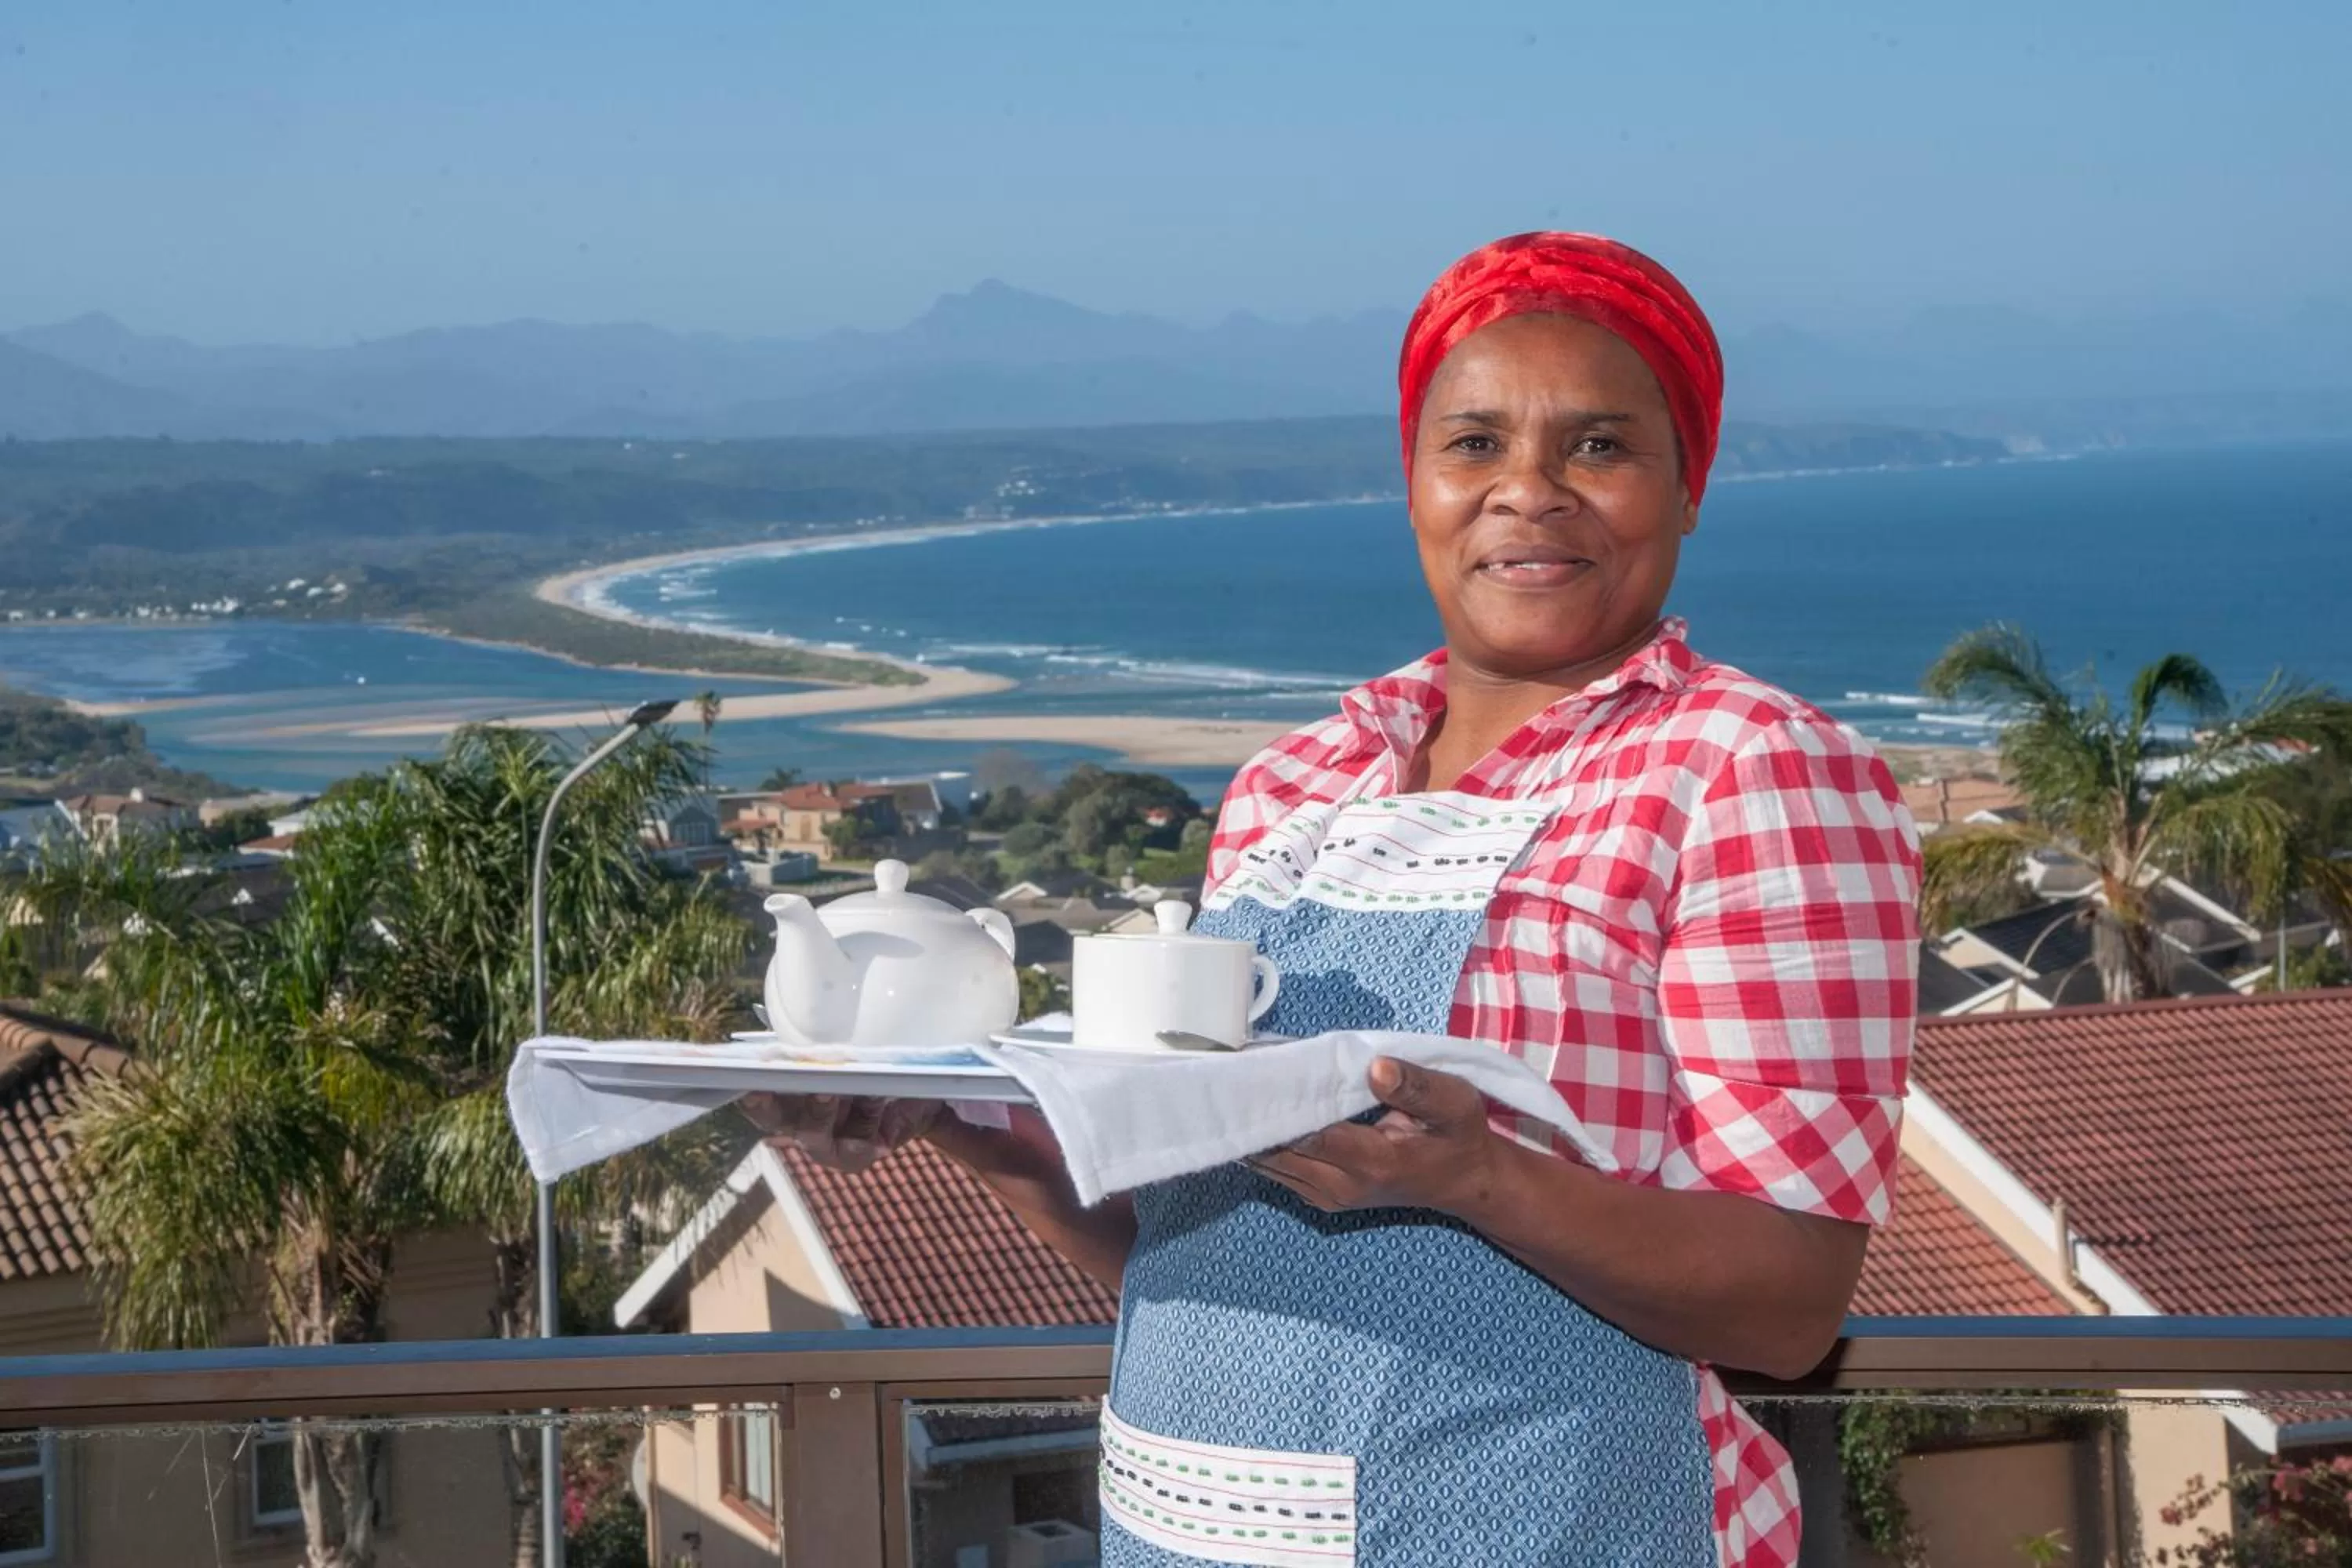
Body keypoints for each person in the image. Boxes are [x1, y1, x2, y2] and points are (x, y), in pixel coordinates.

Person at [750, 231, 1922, 1566]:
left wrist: (1482, 1180)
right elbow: (1209, 1251)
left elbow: (1786, 1302)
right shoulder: (1289, 786)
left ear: (1689, 483)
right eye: (1474, 444)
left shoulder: (1757, 770)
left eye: (1598, 447)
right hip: (1186, 1528)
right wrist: (973, 1131)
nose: (1527, 493)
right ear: (1412, 481)